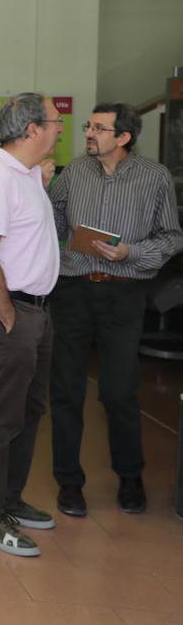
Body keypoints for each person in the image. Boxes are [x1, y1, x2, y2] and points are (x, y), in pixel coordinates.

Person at [48, 102, 183, 517]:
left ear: (123, 137)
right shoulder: (73, 173)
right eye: (89, 126)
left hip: (124, 295)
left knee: (119, 391)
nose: (89, 133)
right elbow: (51, 217)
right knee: (66, 390)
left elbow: (171, 237)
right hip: (73, 292)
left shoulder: (154, 177)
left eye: (99, 128)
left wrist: (130, 253)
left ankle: (130, 476)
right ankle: (69, 483)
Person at [0, 92, 63, 557]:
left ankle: (9, 500)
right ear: (32, 130)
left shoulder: (26, 176)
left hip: (36, 310)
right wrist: (8, 320)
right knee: (1, 414)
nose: (62, 128)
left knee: (28, 410)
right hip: (12, 310)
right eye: (56, 121)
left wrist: (41, 180)